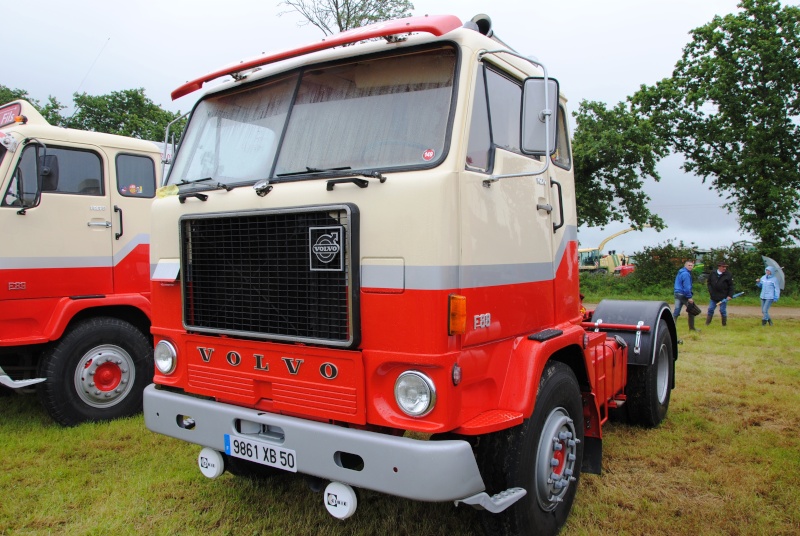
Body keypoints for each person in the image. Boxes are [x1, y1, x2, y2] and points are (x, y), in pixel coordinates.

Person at [673, 260, 699, 331]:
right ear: (685, 265)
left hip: (677, 293)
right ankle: (692, 328)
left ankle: (671, 328)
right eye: (689, 265)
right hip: (683, 295)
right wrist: (689, 297)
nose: (690, 267)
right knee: (692, 310)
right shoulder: (686, 274)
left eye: (691, 265)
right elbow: (687, 287)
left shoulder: (680, 272)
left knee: (676, 311)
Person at [706, 261, 734, 326]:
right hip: (713, 296)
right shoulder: (713, 273)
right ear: (719, 267)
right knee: (710, 309)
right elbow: (709, 283)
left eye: (725, 267)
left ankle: (724, 324)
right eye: (723, 267)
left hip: (723, 297)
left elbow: (731, 286)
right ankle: (707, 323)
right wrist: (711, 291)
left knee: (722, 310)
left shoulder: (728, 274)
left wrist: (730, 295)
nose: (724, 268)